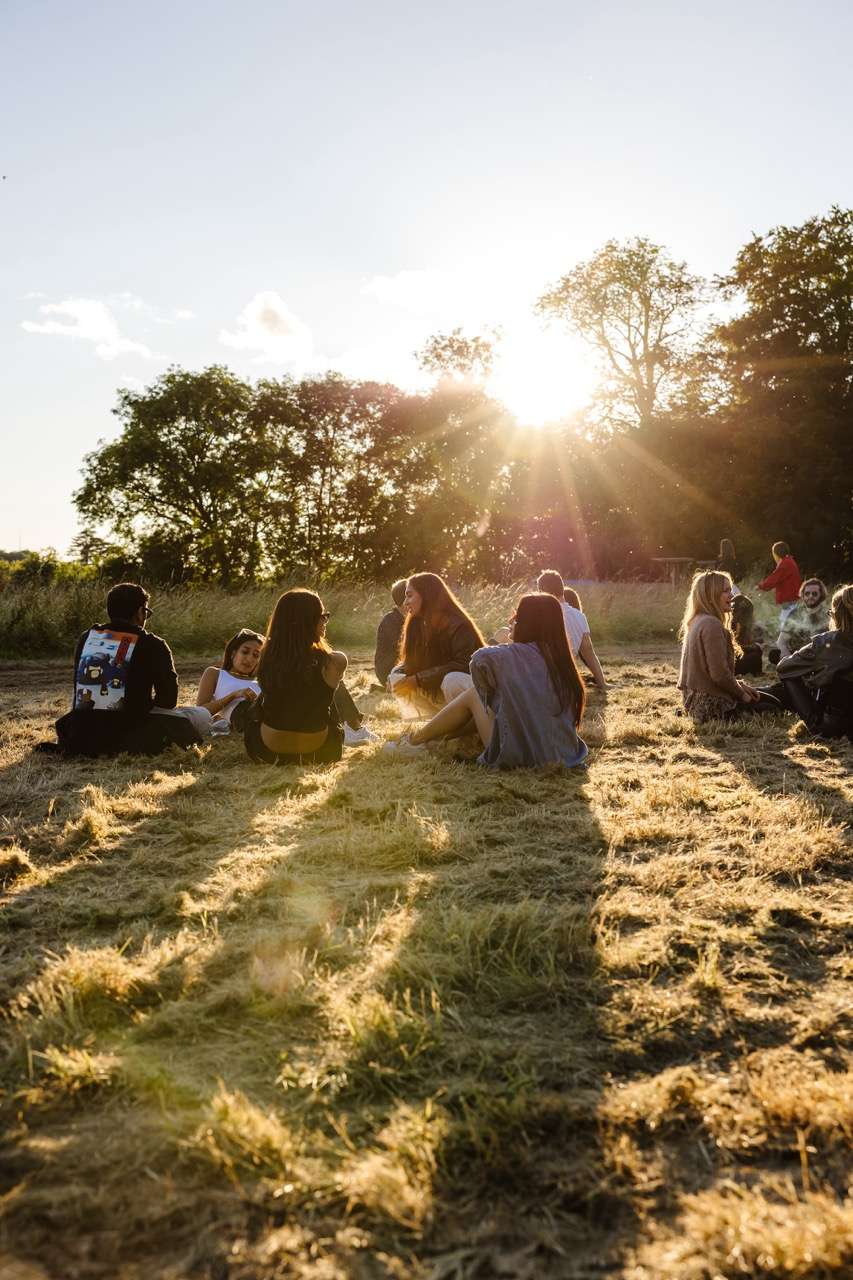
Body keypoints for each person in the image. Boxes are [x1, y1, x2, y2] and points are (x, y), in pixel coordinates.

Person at [383, 592, 588, 769]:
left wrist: (505, 642)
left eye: (516, 616)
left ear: (527, 622)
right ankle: (433, 740)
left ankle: (415, 741)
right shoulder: (561, 659)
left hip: (524, 757)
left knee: (474, 697)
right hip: (563, 754)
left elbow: (478, 660)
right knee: (495, 702)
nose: (511, 621)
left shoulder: (510, 655)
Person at [54, 582, 202, 757]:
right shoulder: (153, 644)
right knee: (201, 716)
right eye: (146, 612)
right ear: (140, 612)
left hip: (81, 735)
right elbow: (168, 700)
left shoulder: (87, 637)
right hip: (129, 736)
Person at [243, 588, 347, 765]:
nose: (325, 621)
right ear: (307, 621)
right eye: (321, 615)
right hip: (319, 750)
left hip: (268, 749)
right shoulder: (335, 660)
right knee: (326, 696)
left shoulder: (265, 655)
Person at [677, 571, 781, 723]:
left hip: (694, 701)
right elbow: (719, 675)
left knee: (771, 698)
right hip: (711, 704)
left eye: (730, 590)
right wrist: (742, 695)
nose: (732, 596)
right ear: (711, 595)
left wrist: (740, 686)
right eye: (726, 591)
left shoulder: (697, 620)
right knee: (774, 708)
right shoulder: (712, 625)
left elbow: (709, 674)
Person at [388, 573, 484, 719]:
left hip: (473, 689)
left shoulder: (458, 624)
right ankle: (429, 721)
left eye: (409, 595)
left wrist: (419, 679)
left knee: (452, 680)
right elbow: (415, 661)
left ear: (426, 595)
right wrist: (399, 677)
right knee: (397, 674)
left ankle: (470, 725)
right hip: (440, 688)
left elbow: (465, 664)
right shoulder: (417, 624)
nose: (405, 602)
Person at [760, 585, 853, 736]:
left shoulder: (829, 641)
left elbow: (784, 667)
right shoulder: (797, 613)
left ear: (838, 615)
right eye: (807, 593)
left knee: (789, 674)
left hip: (835, 728)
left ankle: (814, 723)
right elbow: (782, 641)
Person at [535, 569, 607, 691]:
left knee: (504, 633)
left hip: (543, 676)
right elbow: (589, 653)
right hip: (566, 676)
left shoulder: (541, 616)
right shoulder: (579, 616)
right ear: (562, 588)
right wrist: (603, 684)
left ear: (542, 591)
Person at [196, 628, 264, 728]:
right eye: (245, 652)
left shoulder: (261, 682)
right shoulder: (215, 673)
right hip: (241, 720)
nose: (249, 659)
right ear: (233, 654)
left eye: (255, 655)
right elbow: (200, 713)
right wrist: (233, 696)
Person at [771, 578, 830, 662]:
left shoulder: (828, 614)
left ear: (821, 595)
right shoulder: (795, 614)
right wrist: (786, 654)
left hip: (819, 656)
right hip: (797, 656)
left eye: (814, 594)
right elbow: (781, 641)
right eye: (807, 594)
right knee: (773, 654)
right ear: (802, 595)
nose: (810, 596)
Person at [757, 541, 802, 626]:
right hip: (792, 597)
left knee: (786, 623)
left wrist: (760, 586)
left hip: (789, 598)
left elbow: (774, 578)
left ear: (777, 554)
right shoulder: (789, 561)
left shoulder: (785, 564)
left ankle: (786, 638)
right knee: (789, 621)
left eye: (773, 553)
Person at [374, 579, 407, 686]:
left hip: (402, 666)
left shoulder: (411, 618)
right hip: (389, 670)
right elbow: (402, 647)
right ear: (404, 600)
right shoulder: (390, 620)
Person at [731, 594, 763, 676]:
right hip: (730, 662)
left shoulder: (740, 624)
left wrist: (753, 644)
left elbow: (742, 642)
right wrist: (749, 647)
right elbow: (730, 648)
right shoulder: (729, 624)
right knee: (754, 656)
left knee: (757, 650)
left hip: (736, 655)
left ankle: (756, 673)